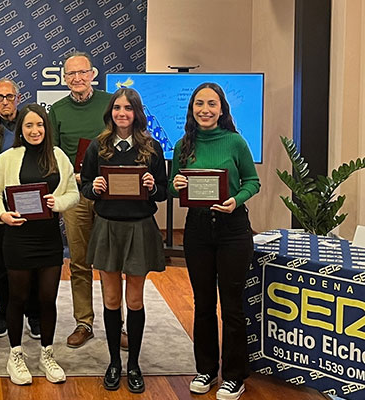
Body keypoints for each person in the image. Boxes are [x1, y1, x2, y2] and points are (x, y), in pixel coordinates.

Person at [169, 83, 260, 400]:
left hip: (233, 229)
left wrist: (237, 200)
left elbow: (252, 181)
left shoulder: (235, 142)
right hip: (197, 230)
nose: (205, 109)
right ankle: (206, 370)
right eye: (198, 104)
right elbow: (171, 187)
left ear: (222, 108)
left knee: (232, 307)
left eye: (211, 103)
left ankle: (235, 376)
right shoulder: (184, 144)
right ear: (191, 109)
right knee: (203, 304)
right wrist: (176, 183)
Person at [0, 103, 79, 385]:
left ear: (46, 128)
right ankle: (15, 355)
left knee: (47, 299)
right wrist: (1, 214)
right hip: (17, 238)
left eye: (39, 125)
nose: (35, 130)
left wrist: (58, 202)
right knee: (17, 298)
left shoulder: (58, 157)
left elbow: (73, 192)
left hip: (49, 239)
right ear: (21, 130)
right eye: (29, 126)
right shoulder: (8, 158)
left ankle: (47, 354)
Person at [81, 88, 167, 393]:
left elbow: (163, 191)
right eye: (117, 108)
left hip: (139, 227)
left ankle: (134, 365)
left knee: (134, 300)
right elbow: (86, 187)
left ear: (137, 113)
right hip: (108, 227)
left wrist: (152, 185)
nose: (122, 113)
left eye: (128, 108)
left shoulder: (152, 147)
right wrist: (96, 187)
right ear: (110, 112)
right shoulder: (98, 146)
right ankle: (114, 362)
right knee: (112, 300)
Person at [47, 51, 112, 348]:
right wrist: (72, 175)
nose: (77, 79)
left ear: (93, 74)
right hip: (75, 194)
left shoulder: (111, 103)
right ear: (64, 78)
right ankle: (84, 322)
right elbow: (53, 155)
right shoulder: (57, 110)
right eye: (71, 74)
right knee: (80, 262)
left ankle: (117, 321)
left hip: (111, 193)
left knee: (113, 262)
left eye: (82, 73)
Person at [0, 78, 41, 339]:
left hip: (32, 206)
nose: (5, 101)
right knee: (2, 266)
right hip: (2, 208)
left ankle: (35, 317)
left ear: (18, 98)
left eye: (10, 96)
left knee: (34, 266)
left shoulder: (32, 125)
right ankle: (3, 316)